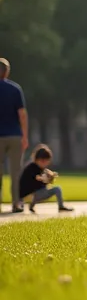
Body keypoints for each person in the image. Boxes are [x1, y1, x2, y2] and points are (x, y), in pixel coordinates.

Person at [0, 58, 28, 213]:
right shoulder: (15, 89)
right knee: (15, 172)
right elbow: (22, 114)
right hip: (14, 135)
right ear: (7, 71)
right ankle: (16, 202)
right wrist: (25, 136)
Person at [19, 145, 72, 213]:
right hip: (27, 194)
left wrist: (50, 178)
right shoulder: (31, 168)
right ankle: (61, 206)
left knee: (43, 189)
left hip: (33, 194)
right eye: (42, 161)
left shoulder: (39, 168)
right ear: (37, 159)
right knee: (57, 189)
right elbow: (37, 178)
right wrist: (45, 178)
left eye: (46, 161)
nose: (45, 163)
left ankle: (31, 206)